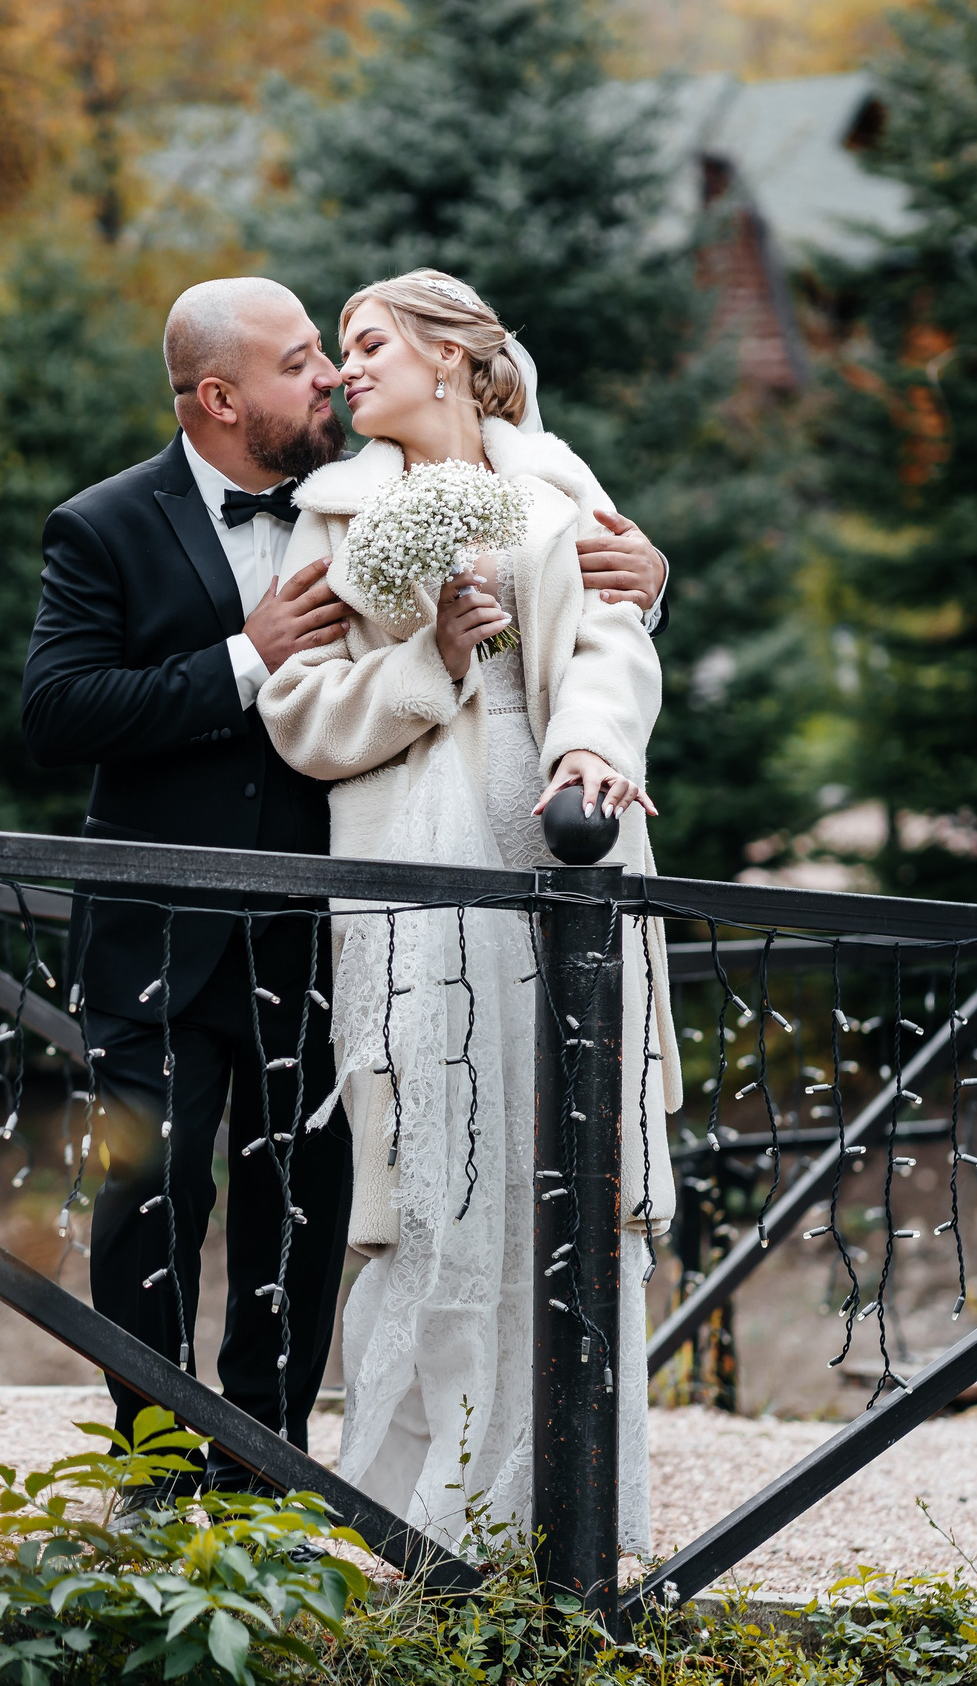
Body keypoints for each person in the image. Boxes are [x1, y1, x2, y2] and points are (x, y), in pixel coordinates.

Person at [20, 276, 670, 1510]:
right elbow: (56, 711)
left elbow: (583, 617)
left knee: (307, 1202)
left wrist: (649, 579)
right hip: (168, 919)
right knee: (152, 1192)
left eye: (339, 349)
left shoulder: (401, 479)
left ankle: (264, 1463)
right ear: (221, 398)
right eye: (300, 359)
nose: (328, 374)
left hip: (321, 917)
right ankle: (154, 1465)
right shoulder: (106, 525)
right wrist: (245, 655)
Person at [257, 268, 687, 1553]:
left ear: (450, 355)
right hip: (413, 855)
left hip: (556, 834)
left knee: (566, 1150)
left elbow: (613, 637)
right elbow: (297, 712)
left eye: (368, 343)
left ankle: (566, 1517)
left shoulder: (559, 485)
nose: (345, 370)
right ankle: (418, 1519)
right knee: (437, 1163)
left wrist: (593, 748)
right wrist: (431, 658)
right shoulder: (330, 514)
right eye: (339, 350)